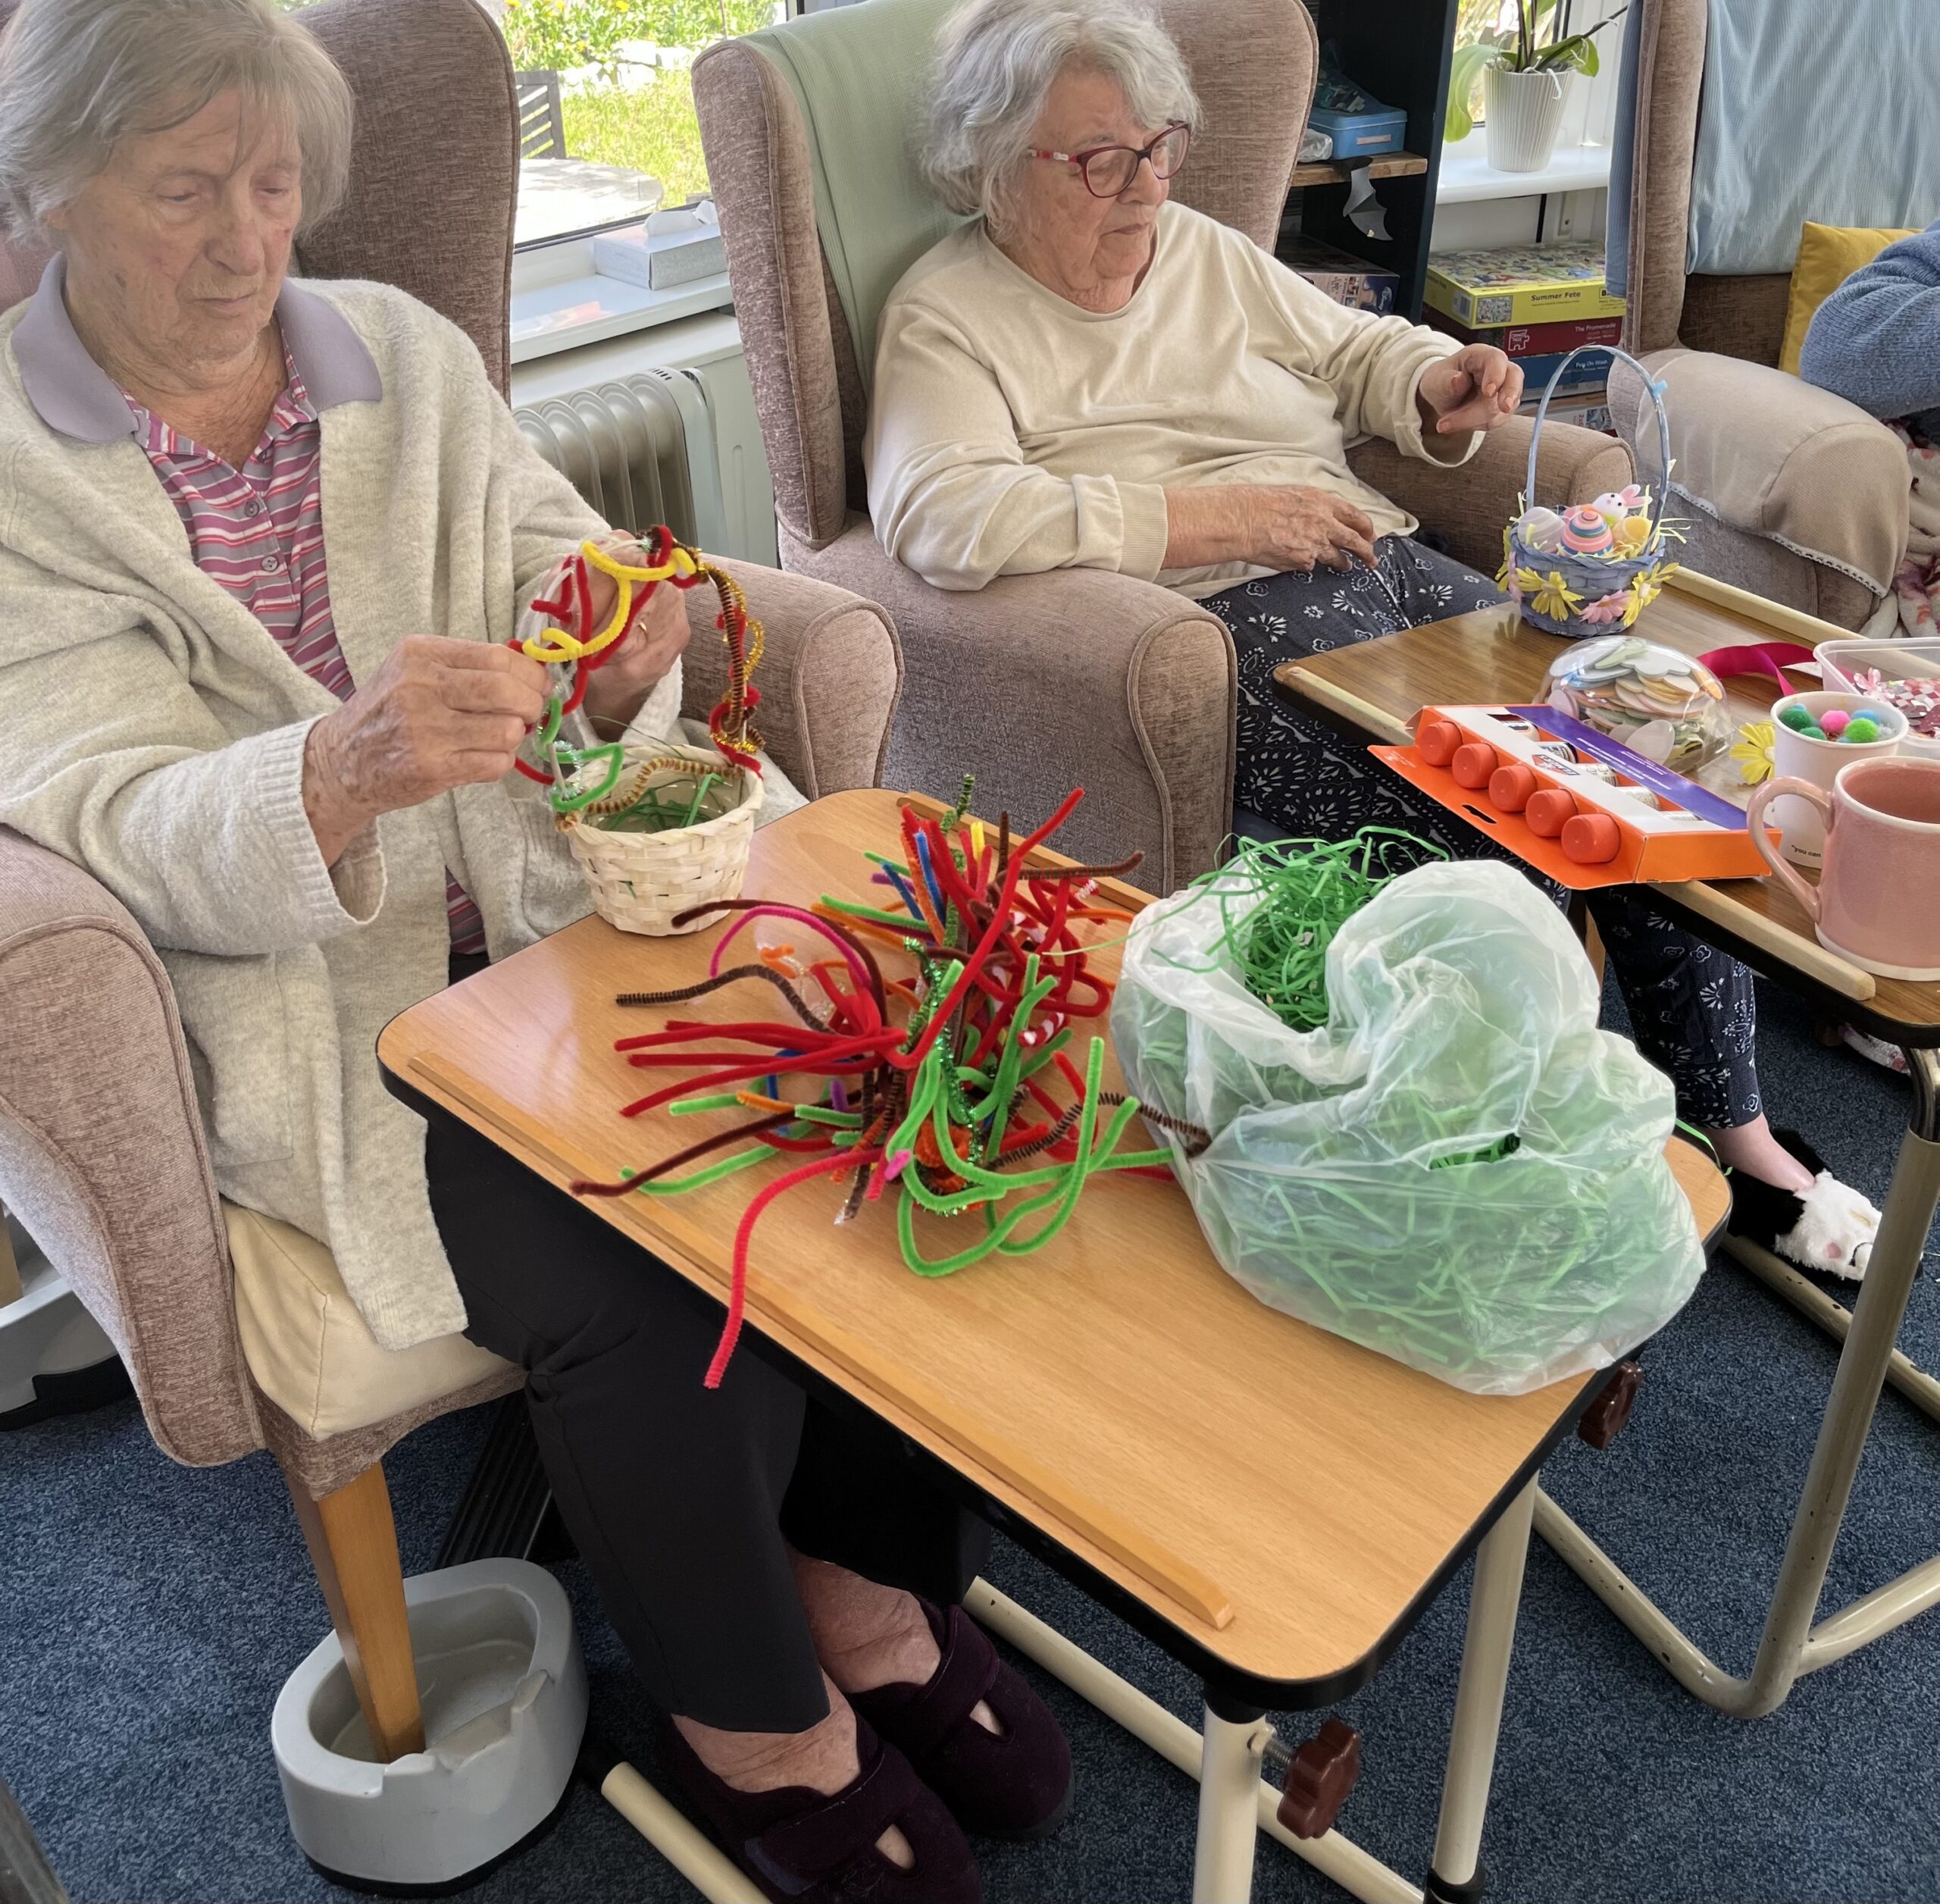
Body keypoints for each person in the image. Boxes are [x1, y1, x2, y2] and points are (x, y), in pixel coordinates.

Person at [0, 2, 1064, 1898]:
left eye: (273, 182)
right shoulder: (12, 471)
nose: (252, 239)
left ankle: (869, 1589)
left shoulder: (396, 354)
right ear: (55, 186)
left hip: (579, 924)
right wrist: (334, 770)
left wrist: (621, 644)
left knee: (888, 1101)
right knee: (639, 1266)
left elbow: (565, 569)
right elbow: (106, 818)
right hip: (329, 1013)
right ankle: (755, 1715)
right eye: (186, 190)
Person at [867, 0, 1883, 1275]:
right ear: (992, 161)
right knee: (1506, 819)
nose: (1148, 185)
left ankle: (1729, 1128)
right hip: (1222, 616)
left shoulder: (1198, 249)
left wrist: (1428, 378)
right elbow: (940, 513)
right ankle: (1546, 1135)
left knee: (1646, 761)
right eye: (1100, 159)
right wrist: (1222, 514)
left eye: (1161, 145)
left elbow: (1349, 350)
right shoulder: (952, 311)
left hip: (1372, 553)